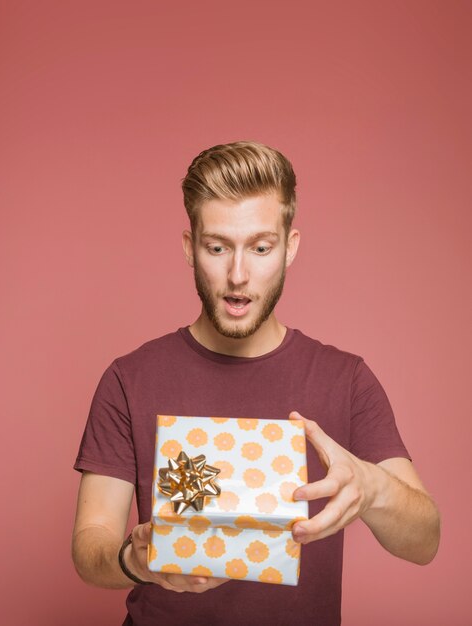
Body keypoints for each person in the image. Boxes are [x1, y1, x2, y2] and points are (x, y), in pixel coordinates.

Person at [71, 141, 440, 625]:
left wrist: (373, 489)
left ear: (290, 248)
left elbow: (425, 541)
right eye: (217, 247)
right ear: (190, 248)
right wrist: (133, 561)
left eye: (261, 248)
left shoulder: (346, 380)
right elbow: (90, 541)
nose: (238, 276)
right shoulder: (130, 378)